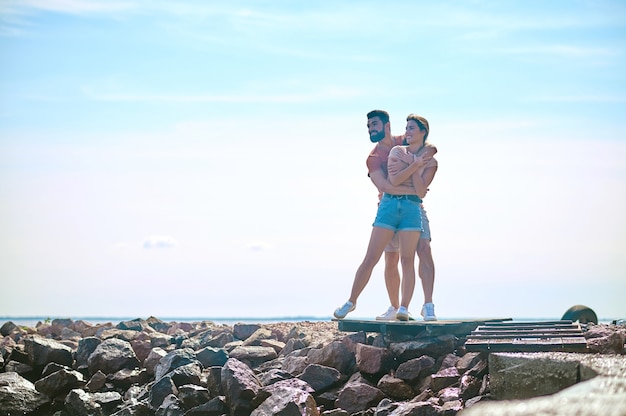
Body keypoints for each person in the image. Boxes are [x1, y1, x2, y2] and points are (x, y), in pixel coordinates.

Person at [334, 113, 437, 321]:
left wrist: (416, 175)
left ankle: (427, 305)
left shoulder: (402, 140)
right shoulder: (373, 158)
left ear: (387, 126)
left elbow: (430, 149)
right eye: (368, 126)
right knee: (389, 258)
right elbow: (385, 185)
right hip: (389, 204)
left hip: (414, 207)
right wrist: (415, 180)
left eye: (374, 124)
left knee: (423, 250)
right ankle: (389, 305)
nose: (371, 129)